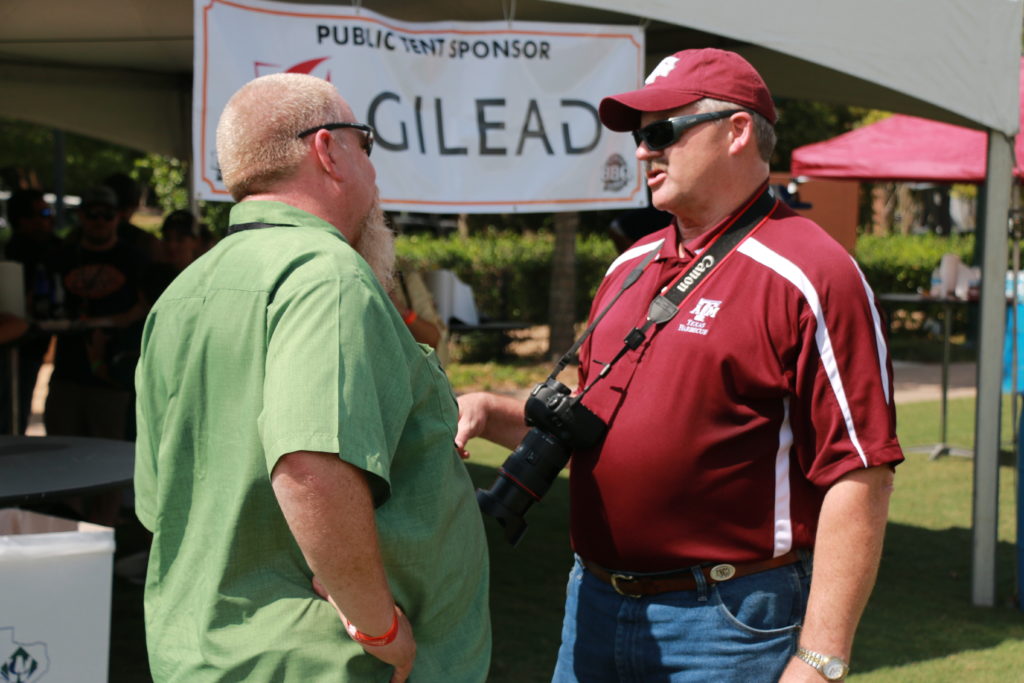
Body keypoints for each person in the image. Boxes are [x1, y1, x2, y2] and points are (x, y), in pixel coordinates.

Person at [457, 48, 903, 682]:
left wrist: (820, 659)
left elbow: (861, 472)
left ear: (737, 130)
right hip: (594, 602)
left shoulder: (814, 272)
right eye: (641, 136)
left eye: (662, 130)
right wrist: (489, 411)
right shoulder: (628, 264)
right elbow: (596, 424)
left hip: (726, 621)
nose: (643, 151)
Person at [133, 73, 490, 682]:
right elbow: (309, 468)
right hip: (323, 663)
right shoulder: (328, 276)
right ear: (327, 150)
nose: (375, 175)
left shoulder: (184, 292)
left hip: (205, 655)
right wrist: (379, 628)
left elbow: (157, 500)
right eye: (366, 145)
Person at [46, 185, 148, 439]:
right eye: (93, 214)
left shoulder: (134, 258)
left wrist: (106, 322)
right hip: (67, 371)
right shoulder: (63, 256)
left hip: (113, 375)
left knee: (109, 456)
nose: (100, 221)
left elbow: (146, 307)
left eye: (107, 214)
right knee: (60, 452)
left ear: (119, 217)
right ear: (81, 216)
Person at [3, 189, 62, 433]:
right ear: (22, 219)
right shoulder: (11, 252)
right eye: (43, 213)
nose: (49, 219)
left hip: (34, 342)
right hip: (13, 343)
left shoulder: (56, 249)